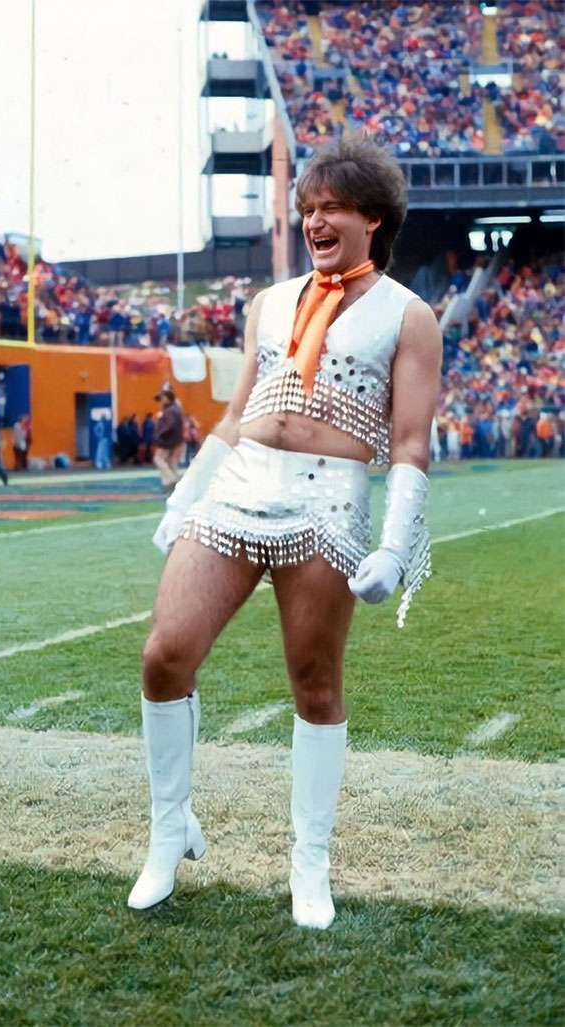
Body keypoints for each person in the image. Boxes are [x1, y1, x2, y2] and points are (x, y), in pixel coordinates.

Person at [128, 137, 442, 930]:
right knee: (166, 654)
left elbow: (408, 443)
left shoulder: (408, 314)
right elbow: (236, 414)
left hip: (327, 502)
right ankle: (171, 830)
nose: (316, 220)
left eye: (332, 207)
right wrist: (188, 493)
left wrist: (397, 546)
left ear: (373, 217)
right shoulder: (269, 302)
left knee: (316, 683)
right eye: (307, 208)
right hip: (238, 486)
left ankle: (310, 861)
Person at [152, 382, 184, 490]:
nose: (160, 401)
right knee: (170, 462)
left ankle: (172, 479)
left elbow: (169, 426)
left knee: (159, 459)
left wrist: (159, 434)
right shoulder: (175, 408)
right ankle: (169, 483)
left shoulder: (170, 411)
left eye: (162, 397)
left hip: (167, 441)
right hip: (174, 440)